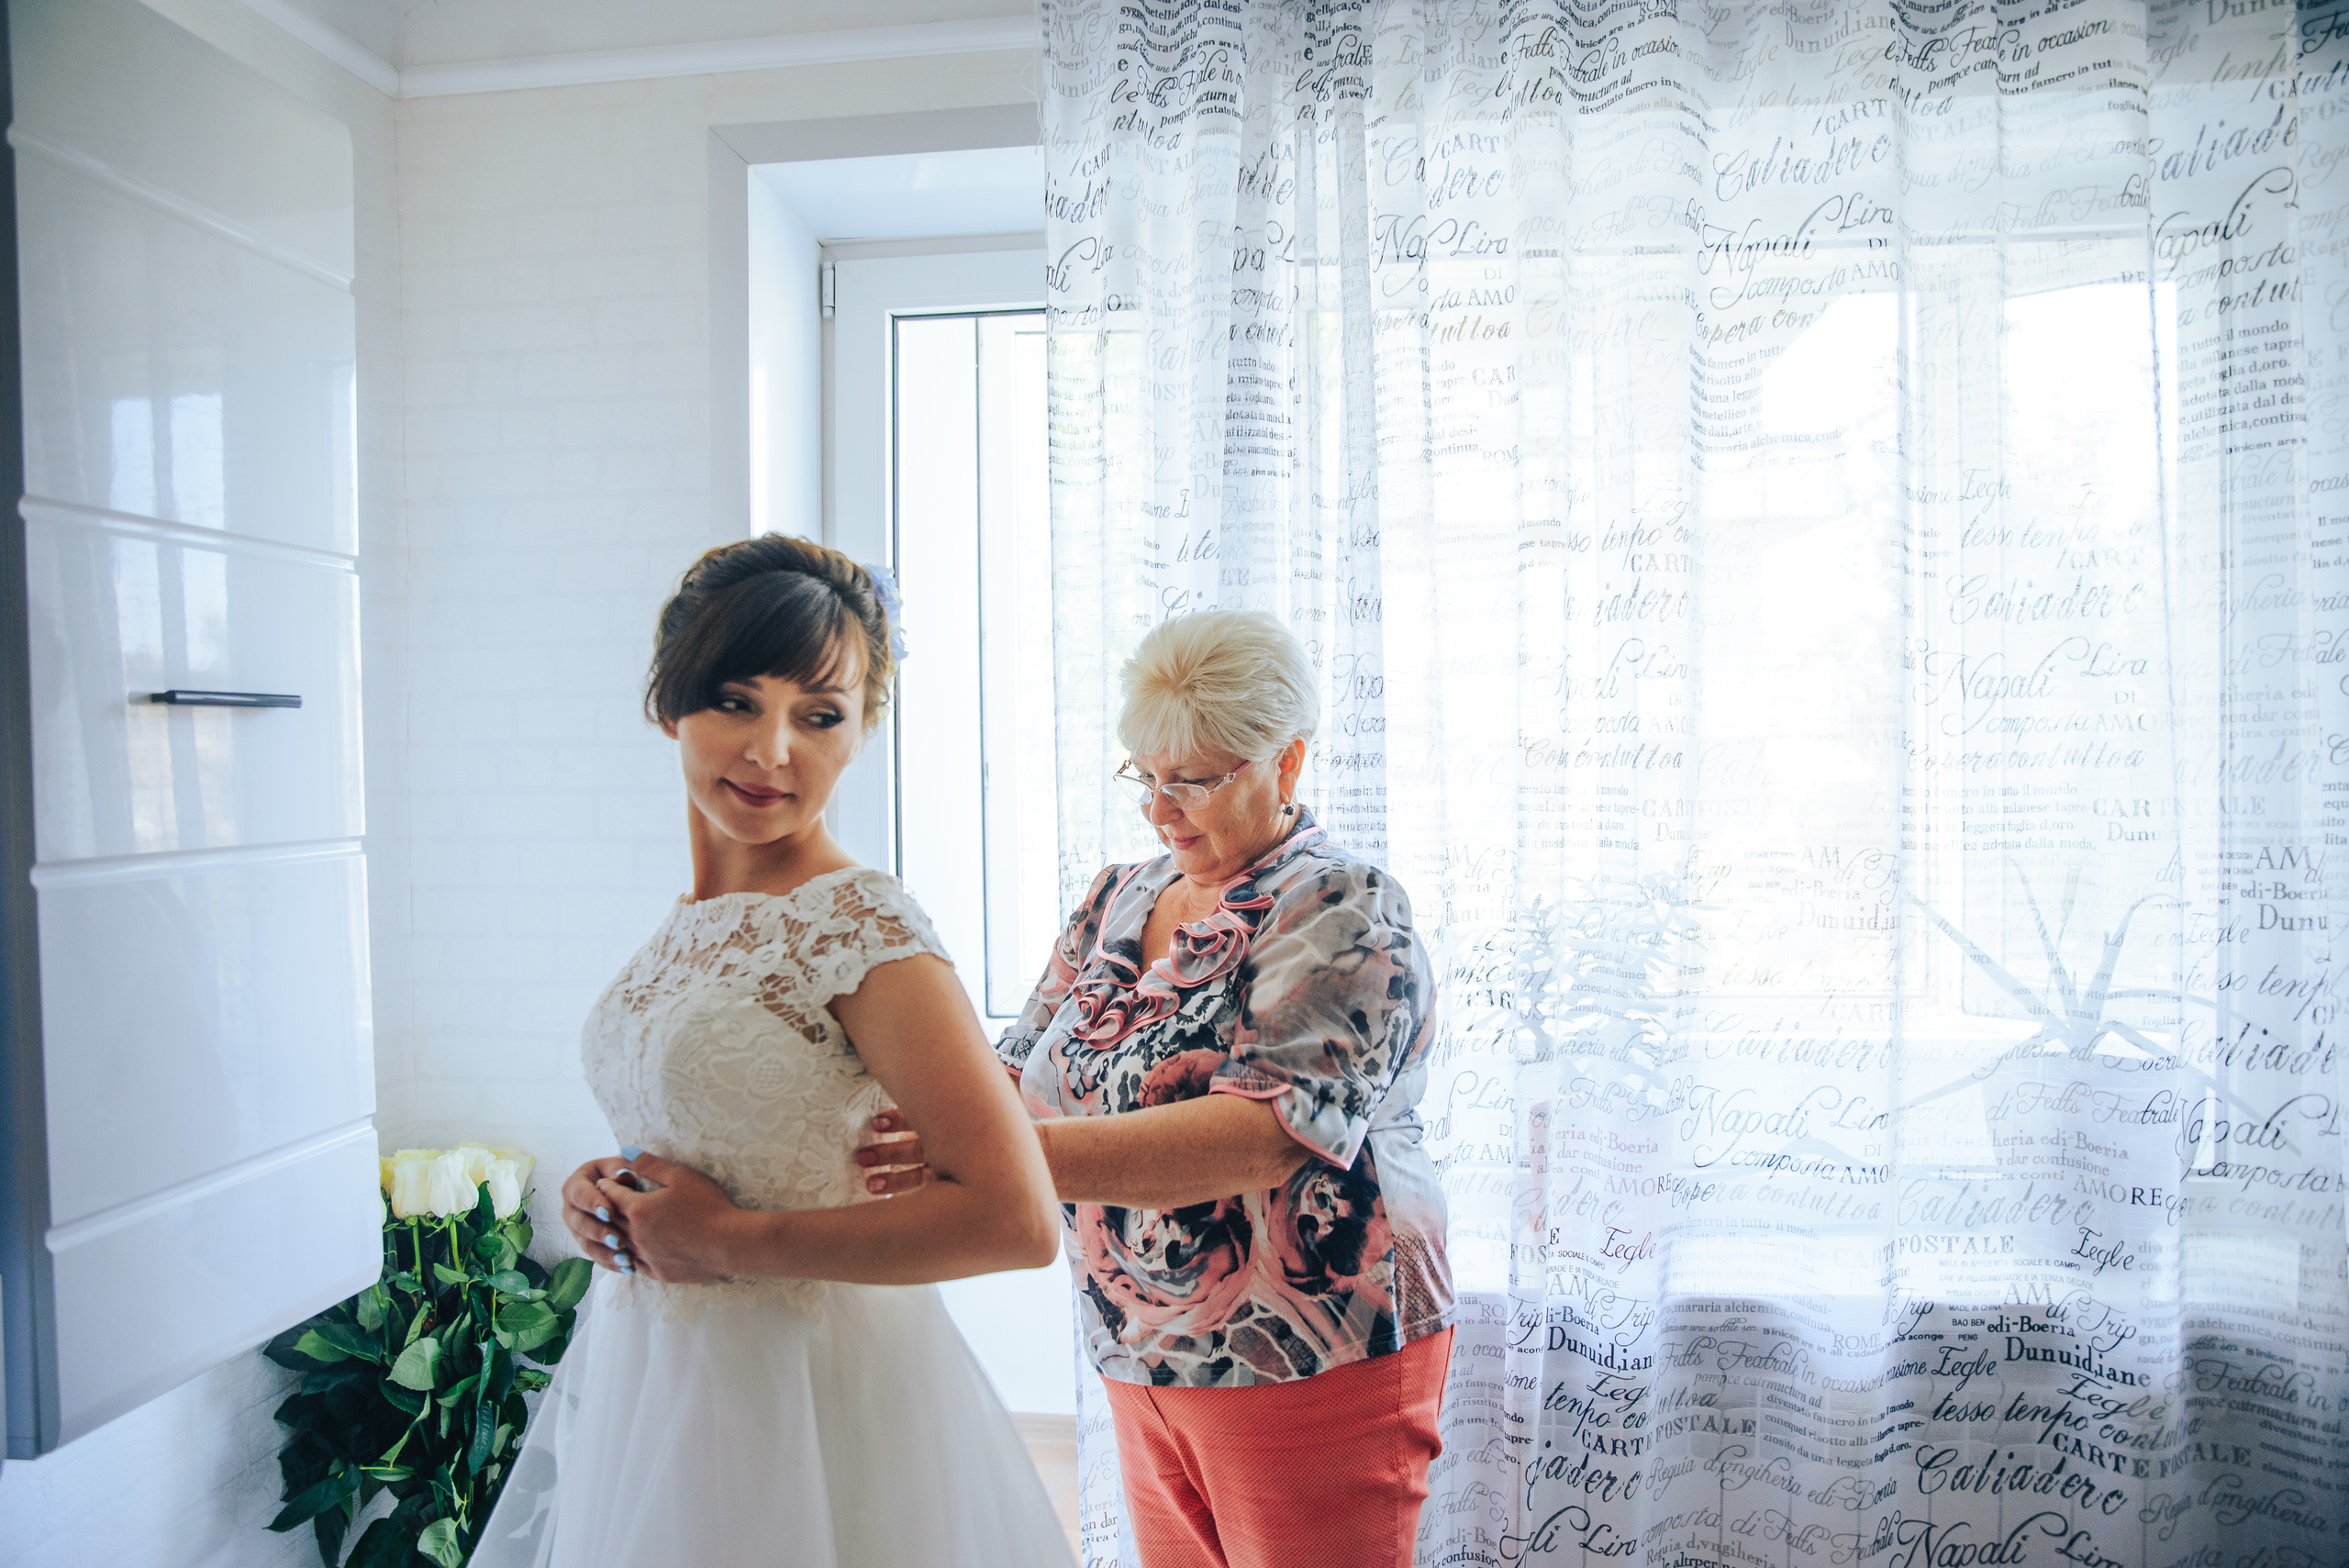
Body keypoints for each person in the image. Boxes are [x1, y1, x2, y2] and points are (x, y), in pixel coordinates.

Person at [472, 536, 1075, 1568]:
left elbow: (1015, 1220)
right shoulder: (689, 922)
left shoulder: (857, 922)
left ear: (861, 732)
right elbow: (694, 1130)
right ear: (671, 702)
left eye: (821, 715)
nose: (774, 751)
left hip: (814, 1394)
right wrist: (604, 1192)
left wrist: (731, 1243)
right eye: (738, 700)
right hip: (659, 1384)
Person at [861, 609, 1455, 1568]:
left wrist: (991, 1154)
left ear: (1286, 762)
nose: (1160, 808)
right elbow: (1012, 1068)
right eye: (1145, 773)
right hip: (1136, 1342)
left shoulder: (1342, 903)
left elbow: (1262, 1131)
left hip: (1312, 1346)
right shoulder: (1116, 896)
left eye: (1195, 778)